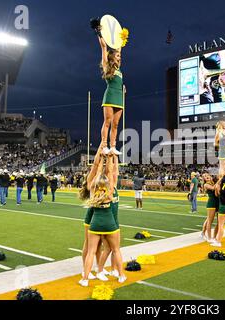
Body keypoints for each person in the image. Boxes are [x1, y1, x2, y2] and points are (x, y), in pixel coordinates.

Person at [80, 154, 126, 286]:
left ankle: (85, 279)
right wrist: (111, 157)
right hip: (110, 224)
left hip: (95, 223)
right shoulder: (110, 191)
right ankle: (121, 275)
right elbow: (111, 172)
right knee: (116, 249)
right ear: (107, 183)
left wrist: (100, 160)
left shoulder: (93, 191)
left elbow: (98, 173)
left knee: (91, 252)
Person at [97, 27, 124, 156]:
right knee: (107, 121)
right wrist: (99, 32)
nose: (119, 57)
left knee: (116, 123)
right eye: (118, 55)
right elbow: (103, 47)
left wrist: (122, 39)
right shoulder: (107, 65)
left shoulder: (119, 70)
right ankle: (104, 145)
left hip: (119, 97)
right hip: (110, 95)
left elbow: (119, 48)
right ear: (112, 57)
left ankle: (113, 146)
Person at [201, 173, 218, 242]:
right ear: (204, 179)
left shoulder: (214, 182)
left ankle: (203, 233)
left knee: (208, 219)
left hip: (218, 203)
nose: (206, 177)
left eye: (207, 175)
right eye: (204, 176)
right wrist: (220, 181)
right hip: (211, 203)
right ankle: (209, 237)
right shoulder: (206, 185)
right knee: (210, 221)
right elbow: (213, 188)